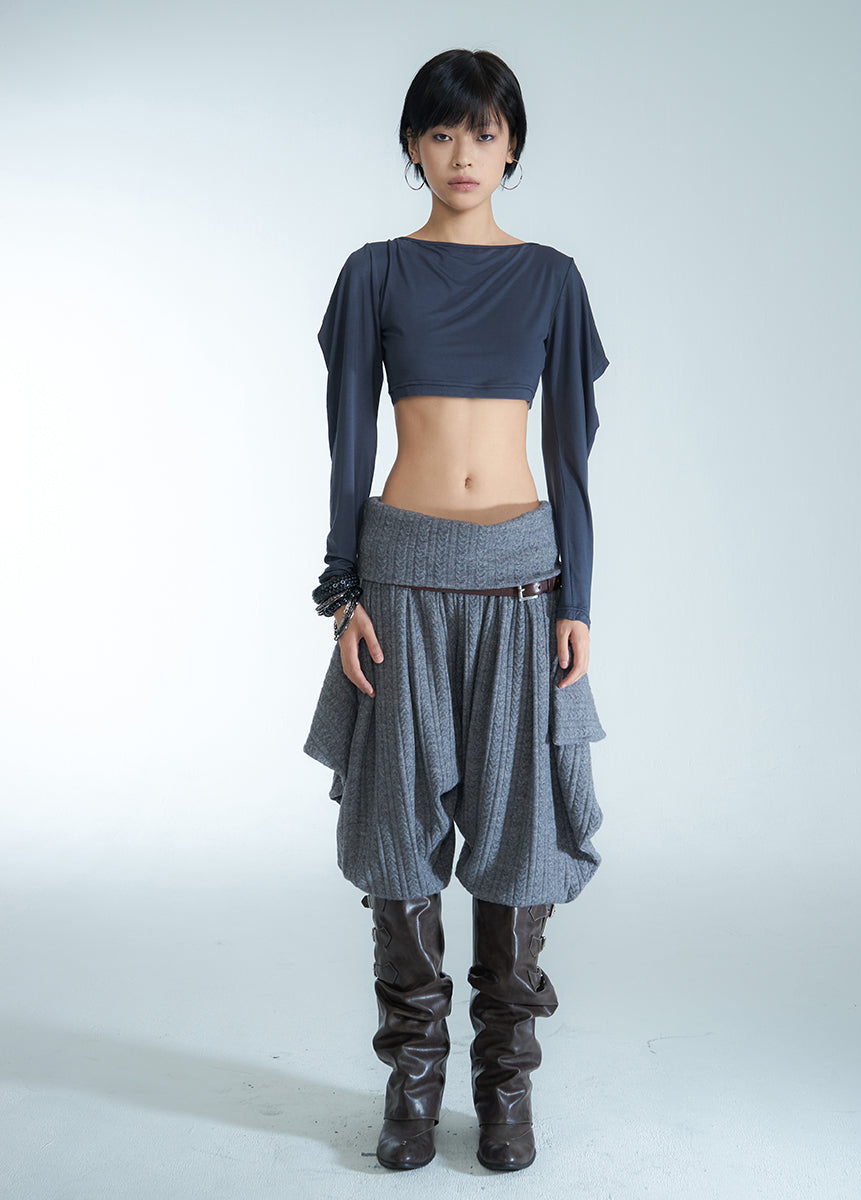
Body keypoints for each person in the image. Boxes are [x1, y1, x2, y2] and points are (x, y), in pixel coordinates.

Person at [303, 47, 611, 1173]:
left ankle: (505, 1079)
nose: (463, 154)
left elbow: (571, 456)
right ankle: (414, 1076)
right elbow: (349, 442)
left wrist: (578, 597)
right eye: (441, 133)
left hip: (522, 577)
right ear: (413, 147)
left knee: (520, 827)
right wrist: (345, 589)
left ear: (512, 146)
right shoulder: (375, 273)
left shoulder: (552, 279)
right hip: (404, 576)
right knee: (399, 825)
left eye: (483, 132)